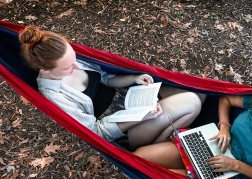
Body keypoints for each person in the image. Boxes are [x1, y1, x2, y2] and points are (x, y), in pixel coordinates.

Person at [18, 26, 206, 150]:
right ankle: (152, 150)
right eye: (68, 68)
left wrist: (134, 78)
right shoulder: (53, 95)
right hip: (120, 127)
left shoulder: (70, 59)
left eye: (75, 58)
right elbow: (95, 133)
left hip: (131, 98)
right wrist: (142, 116)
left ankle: (163, 138)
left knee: (201, 92)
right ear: (45, 69)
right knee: (192, 102)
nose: (76, 66)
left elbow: (105, 78)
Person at [134, 75, 252, 179]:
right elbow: (226, 99)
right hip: (211, 145)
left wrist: (235, 165)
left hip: (229, 173)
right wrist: (224, 126)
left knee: (156, 176)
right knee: (138, 158)